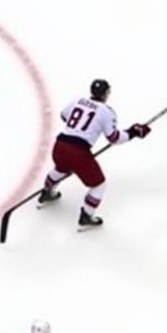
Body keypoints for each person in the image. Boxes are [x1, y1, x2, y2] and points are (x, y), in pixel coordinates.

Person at [37, 79, 150, 230]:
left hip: (60, 145)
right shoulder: (107, 111)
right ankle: (87, 215)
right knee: (98, 185)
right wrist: (133, 132)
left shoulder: (79, 100)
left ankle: (47, 191)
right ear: (106, 93)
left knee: (61, 168)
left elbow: (64, 116)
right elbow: (114, 138)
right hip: (79, 151)